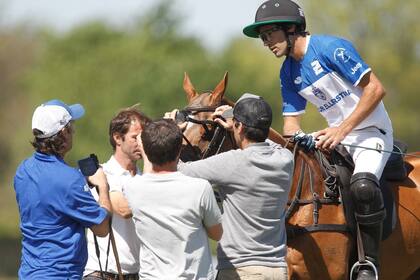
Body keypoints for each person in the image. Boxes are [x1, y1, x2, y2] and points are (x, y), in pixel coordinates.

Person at [242, 1, 393, 279]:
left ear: (291, 29)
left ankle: (368, 265)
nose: (265, 43)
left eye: (268, 35)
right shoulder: (288, 71)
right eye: (262, 38)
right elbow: (290, 125)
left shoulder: (331, 48)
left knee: (362, 187)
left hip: (371, 133)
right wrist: (304, 137)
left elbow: (376, 89)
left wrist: (342, 129)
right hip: (335, 136)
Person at [174, 93, 294, 280]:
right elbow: (276, 143)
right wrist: (238, 124)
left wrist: (173, 131)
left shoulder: (233, 162)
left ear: (239, 127)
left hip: (239, 270)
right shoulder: (285, 159)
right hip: (277, 269)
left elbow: (180, 172)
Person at [14, 99, 111, 279]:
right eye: (71, 127)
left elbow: (50, 191)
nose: (73, 132)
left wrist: (80, 182)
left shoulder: (23, 170)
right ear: (63, 133)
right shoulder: (70, 180)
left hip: (29, 273)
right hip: (60, 274)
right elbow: (102, 228)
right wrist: (103, 187)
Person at [124, 119, 223, 280]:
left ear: (145, 151)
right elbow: (217, 233)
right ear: (179, 151)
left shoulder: (132, 188)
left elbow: (148, 174)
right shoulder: (200, 188)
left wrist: (148, 142)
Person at [84, 107, 151, 280]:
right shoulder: (102, 174)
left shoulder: (145, 177)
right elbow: (124, 209)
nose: (141, 143)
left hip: (137, 274)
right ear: (117, 138)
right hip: (103, 273)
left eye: (144, 138)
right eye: (135, 137)